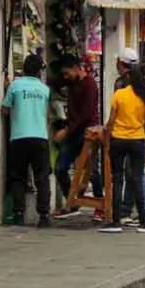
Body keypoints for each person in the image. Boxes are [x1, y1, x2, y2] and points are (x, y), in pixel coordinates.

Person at [101, 61, 145, 233]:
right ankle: (143, 219)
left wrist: (106, 137)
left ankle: (116, 220)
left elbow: (111, 121)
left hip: (118, 139)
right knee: (136, 179)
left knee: (117, 179)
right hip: (137, 140)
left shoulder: (119, 94)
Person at [3, 54, 53, 227]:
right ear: (39, 71)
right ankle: (44, 216)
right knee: (42, 178)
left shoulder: (15, 86)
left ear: (24, 69)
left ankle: (18, 214)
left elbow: (5, 110)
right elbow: (47, 115)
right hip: (40, 137)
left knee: (18, 176)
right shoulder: (45, 89)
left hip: (19, 137)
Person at [54, 56, 103, 218]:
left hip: (88, 132)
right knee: (60, 168)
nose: (65, 77)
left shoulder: (89, 85)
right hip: (74, 132)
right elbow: (56, 83)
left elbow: (86, 114)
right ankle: (72, 201)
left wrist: (66, 131)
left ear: (76, 68)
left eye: (67, 73)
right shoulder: (71, 83)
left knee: (93, 170)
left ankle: (100, 205)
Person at [115, 48, 145, 226]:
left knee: (133, 176)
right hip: (138, 137)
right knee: (134, 174)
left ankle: (144, 211)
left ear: (120, 63)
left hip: (122, 136)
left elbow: (114, 113)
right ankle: (127, 210)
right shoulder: (144, 86)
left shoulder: (121, 85)